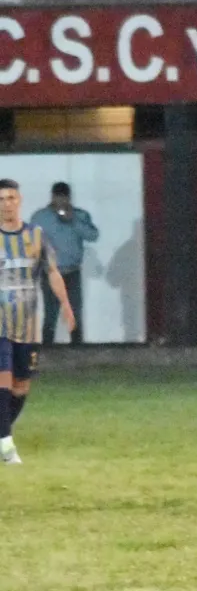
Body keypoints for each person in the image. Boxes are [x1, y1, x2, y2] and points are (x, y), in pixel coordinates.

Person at [0, 179, 75, 463]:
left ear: (19, 200)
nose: (6, 204)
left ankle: (2, 432)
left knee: (21, 387)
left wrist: (66, 304)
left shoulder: (36, 236)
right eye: (1, 199)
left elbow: (52, 273)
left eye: (11, 198)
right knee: (3, 381)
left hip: (28, 324)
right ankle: (7, 447)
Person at [31, 182, 97, 345]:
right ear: (52, 197)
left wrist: (72, 220)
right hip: (51, 273)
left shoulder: (80, 215)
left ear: (69, 198)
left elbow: (93, 236)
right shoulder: (41, 217)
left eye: (64, 198)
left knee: (74, 313)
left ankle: (76, 351)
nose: (61, 201)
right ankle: (48, 351)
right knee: (51, 315)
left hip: (72, 272)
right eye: (58, 198)